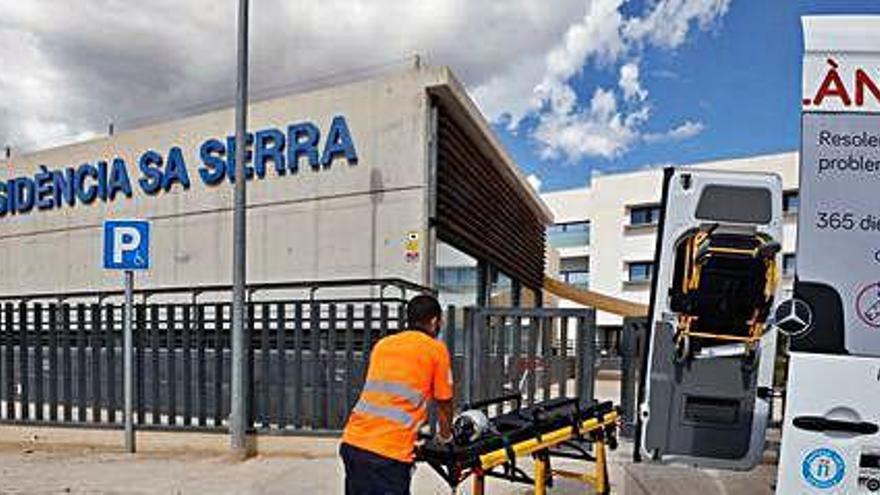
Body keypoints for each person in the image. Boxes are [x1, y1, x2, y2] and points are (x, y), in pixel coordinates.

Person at [340, 294, 454, 495]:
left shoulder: (383, 345)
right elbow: (444, 402)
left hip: (354, 443)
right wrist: (445, 437)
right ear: (435, 321)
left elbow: (388, 397)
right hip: (388, 454)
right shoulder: (436, 350)